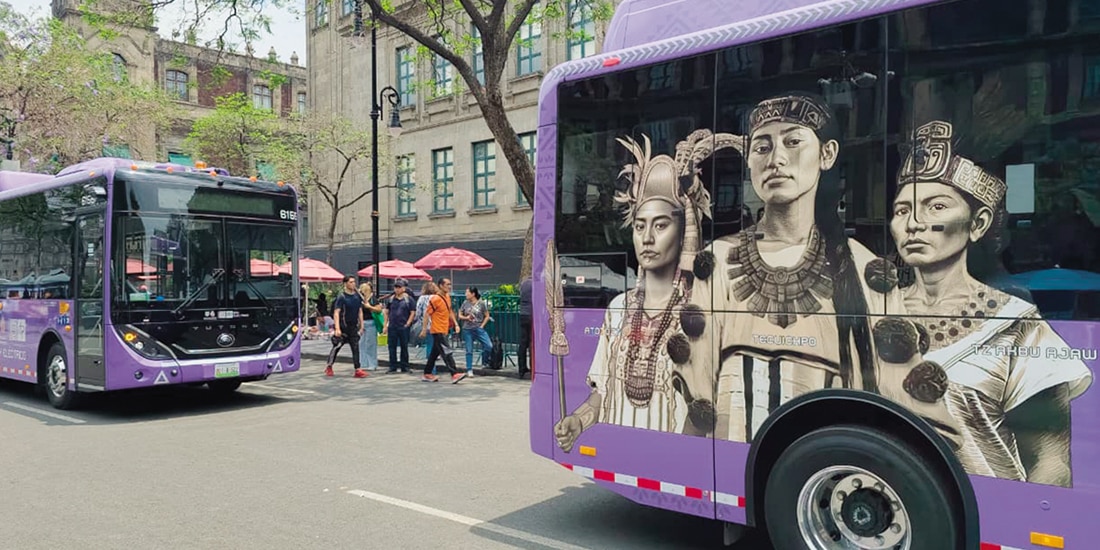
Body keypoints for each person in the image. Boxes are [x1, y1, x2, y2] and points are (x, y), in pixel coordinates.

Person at [687, 94, 961, 446]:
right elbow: (698, 388)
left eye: (793, 141)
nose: (776, 160)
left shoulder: (864, 270)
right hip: (732, 454)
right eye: (762, 147)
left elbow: (911, 404)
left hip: (834, 457)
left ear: (827, 154)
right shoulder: (718, 261)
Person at [890, 120, 1093, 486]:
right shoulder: (875, 308)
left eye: (935, 206)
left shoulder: (1017, 324)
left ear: (978, 223)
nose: (913, 223)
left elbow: (1049, 460)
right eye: (902, 210)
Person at [554, 129, 735, 453]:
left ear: (683, 233)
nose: (648, 237)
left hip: (676, 459)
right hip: (626, 450)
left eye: (661, 225)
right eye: (640, 226)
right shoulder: (618, 308)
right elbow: (602, 393)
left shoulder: (702, 311)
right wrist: (578, 420)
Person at [419, 277, 464, 383]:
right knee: (447, 351)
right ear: (440, 286)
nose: (449, 286)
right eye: (447, 284)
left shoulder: (447, 297)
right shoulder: (435, 299)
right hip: (437, 330)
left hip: (444, 329)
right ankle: (454, 373)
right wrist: (424, 329)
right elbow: (427, 314)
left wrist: (456, 324)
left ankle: (427, 373)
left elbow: (449, 311)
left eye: (450, 284)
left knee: (434, 353)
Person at [324, 275, 368, 378]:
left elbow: (360, 311)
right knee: (337, 346)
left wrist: (361, 326)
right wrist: (337, 328)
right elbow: (336, 312)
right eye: (350, 282)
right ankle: (329, 366)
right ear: (345, 284)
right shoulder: (342, 297)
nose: (353, 284)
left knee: (355, 347)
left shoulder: (357, 296)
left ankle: (357, 369)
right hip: (343, 326)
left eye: (354, 282)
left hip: (353, 327)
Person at [384, 277, 416, 373]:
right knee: (391, 347)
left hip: (403, 326)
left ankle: (404, 366)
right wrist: (385, 325)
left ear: (403, 288)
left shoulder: (408, 299)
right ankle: (392, 366)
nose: (397, 289)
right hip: (392, 326)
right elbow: (386, 311)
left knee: (404, 346)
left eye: (399, 287)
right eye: (395, 287)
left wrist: (408, 323)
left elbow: (412, 312)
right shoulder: (391, 299)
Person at [458, 286, 492, 377]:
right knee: (469, 350)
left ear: (473, 294)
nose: (466, 294)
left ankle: (485, 361)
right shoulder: (465, 303)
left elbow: (487, 315)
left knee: (488, 345)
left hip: (478, 328)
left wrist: (482, 325)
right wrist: (466, 318)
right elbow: (460, 314)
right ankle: (469, 369)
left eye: (467, 292)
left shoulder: (481, 303)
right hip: (467, 329)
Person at [358, 281, 382, 371]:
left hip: (371, 322)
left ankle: (372, 363)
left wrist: (369, 307)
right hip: (362, 323)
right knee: (362, 344)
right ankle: (363, 363)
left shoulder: (372, 299)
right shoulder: (360, 300)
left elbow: (379, 309)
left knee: (370, 344)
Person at [517, 276, 533, 379]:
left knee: (523, 343)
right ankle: (533, 367)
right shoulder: (535, 283)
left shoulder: (523, 284)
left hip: (523, 314)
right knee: (532, 343)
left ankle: (521, 369)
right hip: (532, 314)